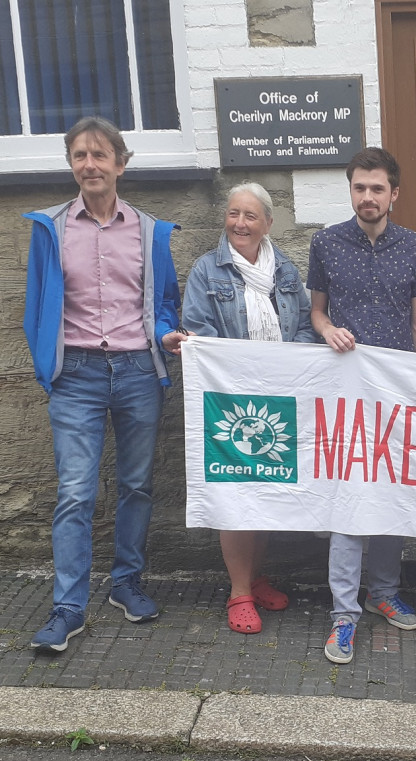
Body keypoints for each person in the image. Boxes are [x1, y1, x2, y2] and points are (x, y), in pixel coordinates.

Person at [22, 116, 185, 652]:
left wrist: (164, 336)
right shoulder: (50, 228)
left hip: (138, 372)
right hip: (77, 376)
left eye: (99, 155)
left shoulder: (150, 230)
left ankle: (125, 583)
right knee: (75, 493)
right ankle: (69, 607)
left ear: (120, 162)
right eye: (78, 156)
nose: (88, 165)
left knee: (137, 485)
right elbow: (35, 307)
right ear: (71, 164)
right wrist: (49, 368)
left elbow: (164, 302)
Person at [308, 147, 416, 665]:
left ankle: (382, 589)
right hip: (345, 388)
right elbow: (316, 312)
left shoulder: (414, 246)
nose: (368, 197)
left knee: (391, 496)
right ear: (351, 191)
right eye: (360, 187)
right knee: (349, 499)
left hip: (397, 391)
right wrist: (328, 330)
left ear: (394, 194)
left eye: (377, 188)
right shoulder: (325, 241)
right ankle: (344, 614)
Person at [175, 182, 314, 633]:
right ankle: (237, 593)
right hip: (228, 400)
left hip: (278, 399)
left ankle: (255, 579)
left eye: (250, 216)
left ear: (268, 223)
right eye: (233, 214)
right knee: (235, 493)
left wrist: (288, 365)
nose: (240, 223)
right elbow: (197, 330)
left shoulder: (287, 272)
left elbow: (308, 329)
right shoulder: (206, 271)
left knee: (266, 489)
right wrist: (247, 367)